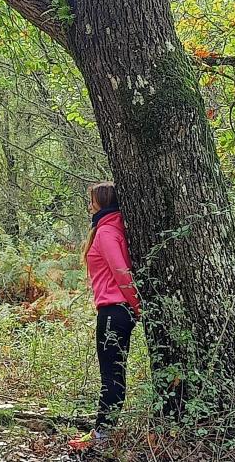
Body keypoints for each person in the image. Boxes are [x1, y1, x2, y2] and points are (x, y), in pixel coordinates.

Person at [68, 182, 141, 451]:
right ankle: (102, 433)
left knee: (111, 376)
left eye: (92, 201)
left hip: (114, 310)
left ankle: (102, 437)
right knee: (114, 373)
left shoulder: (107, 232)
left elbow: (122, 273)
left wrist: (138, 307)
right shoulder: (110, 228)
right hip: (116, 309)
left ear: (103, 202)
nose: (89, 206)